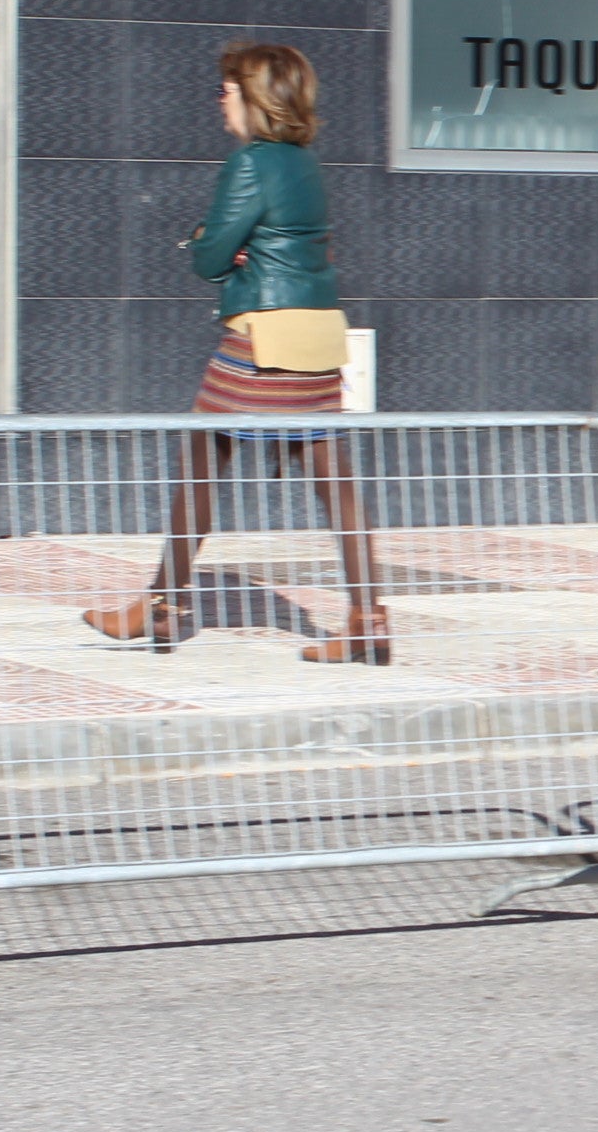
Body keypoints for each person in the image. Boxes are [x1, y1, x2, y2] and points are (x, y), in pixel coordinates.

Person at [83, 42, 388, 666]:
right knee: (333, 477)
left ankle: (161, 607)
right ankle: (368, 619)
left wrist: (207, 239)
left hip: (261, 339)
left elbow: (209, 257)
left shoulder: (250, 163)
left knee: (201, 458)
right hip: (316, 334)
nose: (219, 97)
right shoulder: (306, 164)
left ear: (257, 97)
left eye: (229, 88)